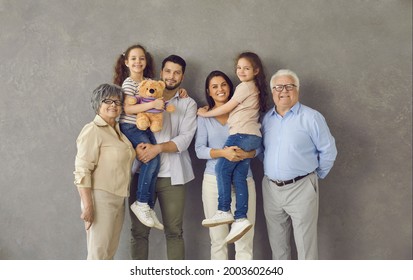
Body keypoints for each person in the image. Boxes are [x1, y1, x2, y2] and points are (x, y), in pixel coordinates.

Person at [261, 69, 337, 260]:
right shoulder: (266, 120)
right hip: (271, 188)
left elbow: (328, 151)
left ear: (297, 90)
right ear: (272, 91)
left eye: (289, 86)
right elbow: (262, 151)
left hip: (301, 188)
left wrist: (313, 177)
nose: (283, 91)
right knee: (278, 248)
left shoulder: (311, 117)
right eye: (278, 87)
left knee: (305, 248)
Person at [129, 54, 197, 260]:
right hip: (141, 172)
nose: (171, 76)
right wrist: (137, 150)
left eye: (177, 72)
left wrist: (156, 149)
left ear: (182, 76)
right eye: (168, 71)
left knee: (174, 232)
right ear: (161, 73)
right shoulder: (140, 95)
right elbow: (125, 126)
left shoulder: (188, 103)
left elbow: (185, 139)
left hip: (173, 176)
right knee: (139, 232)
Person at [197, 52, 268, 244]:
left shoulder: (242, 91)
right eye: (214, 87)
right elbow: (199, 150)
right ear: (209, 91)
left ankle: (223, 210)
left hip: (244, 137)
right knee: (236, 175)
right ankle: (240, 218)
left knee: (222, 168)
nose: (220, 89)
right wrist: (223, 152)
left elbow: (259, 147)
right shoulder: (245, 101)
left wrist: (205, 114)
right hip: (214, 179)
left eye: (223, 85)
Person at [73, 84, 135, 260]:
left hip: (118, 199)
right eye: (107, 100)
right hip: (100, 199)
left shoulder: (118, 132)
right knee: (98, 256)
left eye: (117, 101)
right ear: (97, 103)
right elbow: (82, 170)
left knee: (108, 255)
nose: (113, 105)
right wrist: (88, 205)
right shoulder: (92, 130)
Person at [113, 44, 164, 230]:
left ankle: (148, 206)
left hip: (145, 127)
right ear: (126, 62)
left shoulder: (148, 81)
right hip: (131, 126)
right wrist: (151, 106)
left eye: (141, 58)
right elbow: (128, 109)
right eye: (133, 58)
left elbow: (159, 94)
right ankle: (141, 202)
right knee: (152, 160)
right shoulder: (128, 83)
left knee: (154, 160)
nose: (138, 62)